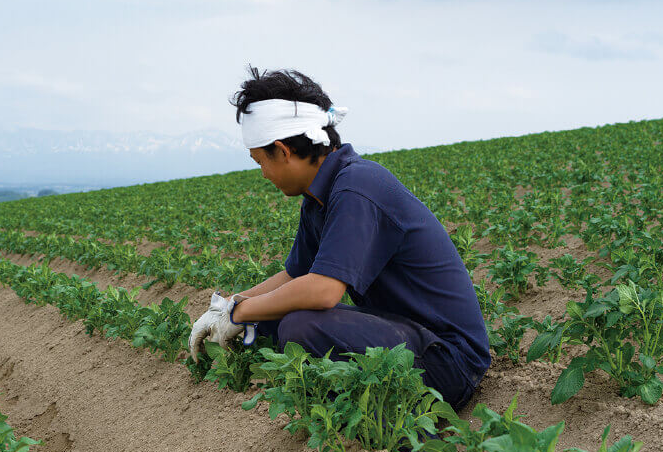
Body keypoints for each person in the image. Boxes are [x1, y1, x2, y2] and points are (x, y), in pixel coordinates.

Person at [188, 68, 489, 410]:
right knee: (272, 315)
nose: (263, 175)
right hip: (405, 336)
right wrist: (227, 307)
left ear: (283, 150)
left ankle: (399, 440)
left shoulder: (357, 185)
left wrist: (240, 313)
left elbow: (323, 291)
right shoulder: (320, 196)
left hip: (449, 361)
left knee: (301, 326)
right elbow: (296, 276)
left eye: (261, 162)